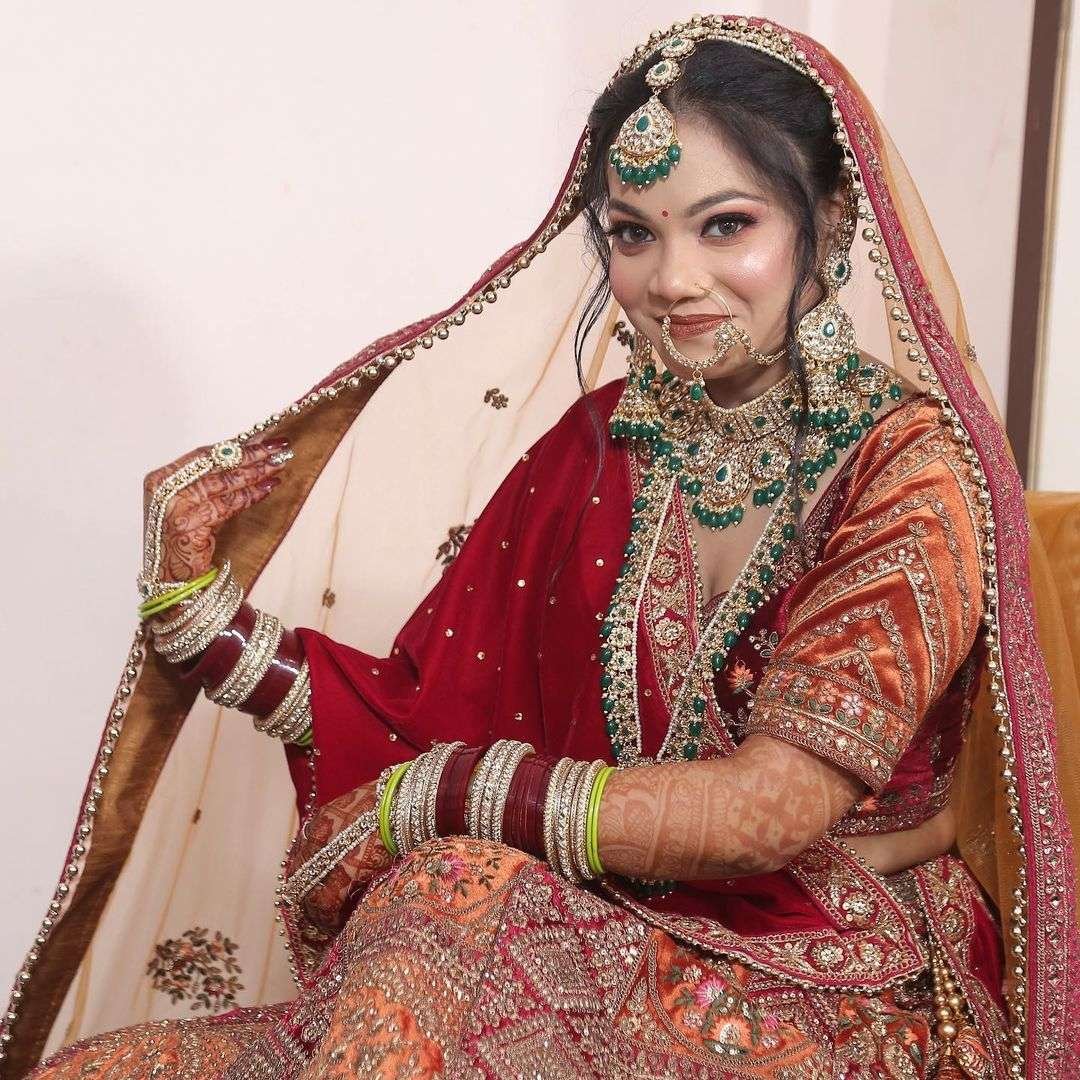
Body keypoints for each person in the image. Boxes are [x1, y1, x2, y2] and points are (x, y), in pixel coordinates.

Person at [7, 14, 1078, 1080]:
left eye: (725, 226)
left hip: (829, 973)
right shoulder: (604, 442)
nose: (673, 280)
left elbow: (772, 808)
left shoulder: (905, 474)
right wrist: (206, 626)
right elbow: (419, 709)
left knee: (448, 894)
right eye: (633, 234)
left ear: (830, 221)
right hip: (580, 923)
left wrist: (449, 796)